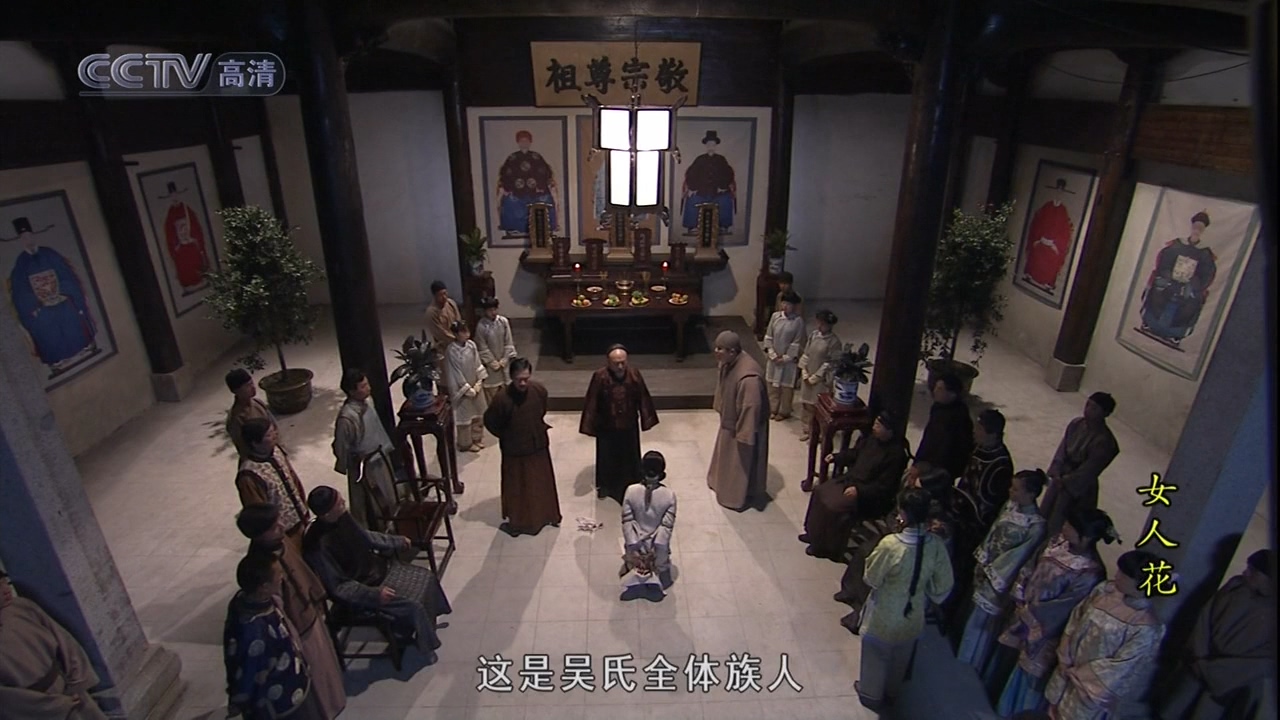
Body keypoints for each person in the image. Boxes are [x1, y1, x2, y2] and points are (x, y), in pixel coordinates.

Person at [303, 487, 450, 664]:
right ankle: (426, 645)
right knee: (414, 605)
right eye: (339, 503)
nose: (343, 502)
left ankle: (424, 626)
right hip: (364, 588)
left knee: (427, 577)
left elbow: (366, 537)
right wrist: (373, 594)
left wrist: (396, 541)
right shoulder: (317, 546)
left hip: (376, 569)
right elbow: (339, 587)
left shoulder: (342, 517)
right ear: (327, 514)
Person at [992, 508, 1116, 717]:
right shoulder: (1056, 542)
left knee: (1029, 673)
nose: (1064, 527)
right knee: (1009, 657)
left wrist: (1030, 613)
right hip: (1023, 608)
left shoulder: (1090, 571)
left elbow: (1065, 606)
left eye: (1070, 526)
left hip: (1044, 629)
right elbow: (1031, 565)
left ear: (1085, 537)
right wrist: (1020, 591)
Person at [234, 504, 345, 719]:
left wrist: (315, 594)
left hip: (308, 609)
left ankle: (334, 700)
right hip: (295, 622)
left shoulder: (281, 541)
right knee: (314, 670)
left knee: (325, 662)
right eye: (274, 526)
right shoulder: (262, 565)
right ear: (259, 534)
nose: (281, 526)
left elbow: (301, 568)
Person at [856, 487, 955, 712]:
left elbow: (871, 578)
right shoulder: (936, 545)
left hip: (884, 614)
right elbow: (942, 587)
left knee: (876, 656)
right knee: (901, 657)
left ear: (903, 512)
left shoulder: (891, 545)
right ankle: (892, 693)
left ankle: (871, 695)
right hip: (914, 614)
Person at [1043, 550, 1166, 720]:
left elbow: (1124, 665)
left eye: (1123, 575)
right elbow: (1077, 617)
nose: (1117, 576)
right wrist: (1065, 655)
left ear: (1141, 582)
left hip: (1089, 688)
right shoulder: (1104, 590)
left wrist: (1078, 673)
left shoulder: (1146, 625)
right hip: (1067, 666)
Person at [1157, 549, 1275, 720]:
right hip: (1199, 664)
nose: (1245, 573)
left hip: (1232, 681)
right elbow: (1205, 618)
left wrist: (1218, 671)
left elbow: (1263, 659)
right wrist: (1200, 656)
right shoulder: (1236, 586)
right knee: (1175, 708)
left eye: (1253, 571)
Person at [833, 463, 949, 632]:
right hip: (900, 539)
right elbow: (895, 515)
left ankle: (859, 614)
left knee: (880, 572)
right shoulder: (915, 502)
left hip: (913, 557)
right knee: (865, 550)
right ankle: (850, 591)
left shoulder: (938, 522)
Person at [957, 470, 1049, 672]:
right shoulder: (1009, 506)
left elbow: (1019, 556)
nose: (1010, 492)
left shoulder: (1035, 526)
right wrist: (983, 558)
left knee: (984, 621)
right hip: (987, 564)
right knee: (973, 611)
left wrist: (994, 571)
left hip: (1001, 576)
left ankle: (971, 661)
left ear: (1031, 494)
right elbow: (993, 532)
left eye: (1016, 489)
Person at [224, 553, 325, 719]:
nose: (282, 577)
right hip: (279, 700)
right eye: (279, 574)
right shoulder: (253, 632)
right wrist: (239, 702)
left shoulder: (247, 600)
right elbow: (248, 674)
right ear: (264, 587)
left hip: (292, 677)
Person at [800, 411, 910, 559]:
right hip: (851, 481)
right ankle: (813, 534)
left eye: (879, 425)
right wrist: (837, 457)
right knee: (820, 491)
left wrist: (860, 491)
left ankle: (826, 547)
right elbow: (855, 453)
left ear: (889, 430)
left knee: (833, 506)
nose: (874, 427)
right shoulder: (872, 439)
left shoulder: (896, 455)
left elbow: (885, 487)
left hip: (868, 495)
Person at [0, 571, 109, 719]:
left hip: (69, 690)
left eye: (5, 582)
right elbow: (6, 697)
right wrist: (51, 705)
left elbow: (65, 642)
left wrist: (77, 681)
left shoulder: (23, 607)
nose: (5, 589)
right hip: (35, 710)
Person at [3, 217, 100, 378]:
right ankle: (56, 362)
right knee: (43, 325)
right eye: (24, 238)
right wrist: (36, 303)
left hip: (63, 299)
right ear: (20, 240)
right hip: (41, 305)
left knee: (71, 314)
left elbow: (67, 276)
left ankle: (86, 346)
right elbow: (20, 291)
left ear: (34, 236)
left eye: (29, 236)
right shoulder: (21, 263)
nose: (28, 240)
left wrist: (63, 292)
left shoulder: (50, 254)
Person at [484, 358, 563, 536]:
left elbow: (541, 411)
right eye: (519, 379)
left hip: (537, 445)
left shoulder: (539, 391)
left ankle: (547, 515)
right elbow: (491, 422)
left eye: (526, 379)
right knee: (518, 488)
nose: (523, 383)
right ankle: (519, 523)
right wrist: (508, 436)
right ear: (512, 377)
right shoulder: (502, 399)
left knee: (540, 483)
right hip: (515, 450)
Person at [579, 345, 660, 502]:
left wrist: (647, 419)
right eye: (616, 363)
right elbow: (592, 401)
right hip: (607, 425)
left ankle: (633, 480)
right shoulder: (600, 376)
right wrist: (589, 425)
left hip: (629, 423)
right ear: (608, 362)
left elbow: (643, 397)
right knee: (606, 456)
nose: (621, 366)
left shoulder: (634, 374)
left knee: (630, 454)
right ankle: (605, 485)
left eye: (623, 362)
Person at [1039, 392, 1120, 540]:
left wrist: (1066, 481)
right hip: (1061, 474)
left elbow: (1090, 469)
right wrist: (1056, 470)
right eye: (1088, 405)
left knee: (1063, 521)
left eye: (1094, 408)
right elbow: (1062, 450)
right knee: (1045, 513)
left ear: (1105, 413)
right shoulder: (1076, 424)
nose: (1088, 410)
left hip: (1079, 485)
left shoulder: (1105, 441)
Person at [706, 331, 770, 511]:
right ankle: (720, 483)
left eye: (720, 349)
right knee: (726, 457)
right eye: (716, 347)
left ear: (732, 352)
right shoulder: (728, 363)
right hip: (731, 421)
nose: (716, 352)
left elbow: (751, 406)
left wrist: (744, 435)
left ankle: (735, 497)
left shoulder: (748, 378)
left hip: (743, 427)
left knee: (739, 465)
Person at [332, 368, 403, 529]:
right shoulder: (347, 417)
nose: (368, 388)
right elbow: (341, 445)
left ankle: (394, 521)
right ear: (352, 391)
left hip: (379, 455)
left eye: (367, 384)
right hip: (365, 466)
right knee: (370, 503)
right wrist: (350, 462)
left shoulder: (368, 401)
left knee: (389, 492)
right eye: (363, 386)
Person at [1139, 210, 1218, 346]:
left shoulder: (1205, 253)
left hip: (1190, 285)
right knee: (1158, 287)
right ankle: (1149, 323)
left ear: (1203, 230)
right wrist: (1168, 275)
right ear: (1192, 227)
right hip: (1170, 279)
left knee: (1193, 301)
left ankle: (1176, 334)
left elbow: (1207, 274)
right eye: (1196, 226)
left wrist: (1194, 283)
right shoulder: (1176, 245)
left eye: (1200, 228)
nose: (1197, 230)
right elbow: (1163, 262)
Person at [236, 418, 311, 553]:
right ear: (255, 443)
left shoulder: (276, 450)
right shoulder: (249, 476)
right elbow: (258, 513)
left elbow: (292, 478)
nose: (275, 435)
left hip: (300, 520)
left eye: (274, 431)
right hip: (284, 534)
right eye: (269, 435)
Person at [619, 451, 677, 601]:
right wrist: (656, 547)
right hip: (657, 550)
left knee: (632, 561)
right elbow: (666, 527)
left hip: (635, 546)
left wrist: (634, 544)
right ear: (662, 472)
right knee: (661, 564)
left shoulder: (630, 491)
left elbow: (627, 521)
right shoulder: (669, 495)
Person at [958, 408, 1015, 531]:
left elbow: (995, 503)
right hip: (961, 511)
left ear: (993, 434)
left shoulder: (1001, 465)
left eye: (979, 429)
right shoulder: (978, 447)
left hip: (978, 524)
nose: (974, 431)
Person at [497, 130, 558, 237]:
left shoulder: (536, 157)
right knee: (510, 201)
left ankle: (547, 229)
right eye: (521, 141)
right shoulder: (512, 158)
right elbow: (506, 175)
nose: (524, 143)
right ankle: (514, 229)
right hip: (517, 192)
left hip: (536, 192)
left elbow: (545, 174)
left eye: (526, 141)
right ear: (518, 142)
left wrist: (543, 186)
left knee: (545, 200)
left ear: (530, 142)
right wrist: (505, 188)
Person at [1021, 178, 1078, 293]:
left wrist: (1054, 244)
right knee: (1035, 255)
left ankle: (1048, 284)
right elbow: (1038, 222)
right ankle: (1029, 275)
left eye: (1061, 191)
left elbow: (1065, 230)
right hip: (1041, 240)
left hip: (1053, 244)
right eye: (1057, 190)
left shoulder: (1063, 210)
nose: (1058, 193)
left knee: (1053, 260)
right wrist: (1039, 239)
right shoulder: (1047, 206)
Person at [914, 374, 975, 480]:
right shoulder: (937, 408)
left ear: (952, 394)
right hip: (928, 463)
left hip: (943, 468)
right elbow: (928, 438)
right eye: (936, 387)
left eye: (940, 389)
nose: (935, 391)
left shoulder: (959, 416)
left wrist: (928, 466)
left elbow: (949, 447)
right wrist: (918, 461)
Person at [797, 309, 841, 442]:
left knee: (819, 407)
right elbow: (806, 353)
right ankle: (807, 429)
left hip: (820, 379)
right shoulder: (814, 335)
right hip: (808, 373)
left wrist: (816, 377)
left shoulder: (834, 341)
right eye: (818, 323)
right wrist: (804, 371)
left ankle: (821, 433)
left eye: (823, 324)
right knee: (806, 405)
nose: (819, 326)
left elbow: (831, 362)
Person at [680, 130, 736, 234]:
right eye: (709, 145)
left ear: (716, 146)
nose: (711, 147)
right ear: (706, 146)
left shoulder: (721, 159)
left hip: (718, 191)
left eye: (713, 145)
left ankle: (723, 226)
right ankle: (692, 227)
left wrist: (723, 186)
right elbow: (691, 174)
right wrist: (693, 188)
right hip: (701, 191)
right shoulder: (700, 159)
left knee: (725, 199)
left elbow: (728, 174)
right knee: (692, 199)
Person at [445, 320, 488, 453]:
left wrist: (479, 381)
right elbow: (455, 372)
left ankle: (477, 438)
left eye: (467, 331)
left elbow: (477, 363)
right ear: (456, 334)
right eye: (462, 332)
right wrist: (467, 388)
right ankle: (465, 443)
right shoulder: (452, 350)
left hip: (474, 383)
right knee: (465, 415)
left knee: (478, 412)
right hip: (463, 387)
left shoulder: (471, 345)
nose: (466, 334)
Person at [160, 181, 211, 293]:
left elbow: (197, 228)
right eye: (171, 196)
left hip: (192, 245)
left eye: (175, 195)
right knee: (184, 268)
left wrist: (194, 239)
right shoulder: (170, 215)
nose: (174, 198)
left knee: (197, 266)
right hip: (181, 249)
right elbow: (169, 235)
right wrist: (177, 245)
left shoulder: (188, 211)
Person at [763, 291, 806, 422]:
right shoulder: (775, 317)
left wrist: (786, 358)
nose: (785, 306)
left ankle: (784, 411)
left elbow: (797, 342)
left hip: (788, 361)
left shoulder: (798, 321)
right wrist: (772, 354)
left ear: (794, 306)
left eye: (788, 304)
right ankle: (772, 409)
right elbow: (769, 336)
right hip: (774, 357)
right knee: (772, 386)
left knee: (786, 388)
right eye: (783, 303)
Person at [225, 368, 279, 460]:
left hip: (273, 452)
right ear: (236, 391)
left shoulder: (257, 403)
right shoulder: (236, 418)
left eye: (252, 383)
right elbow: (243, 449)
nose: (253, 387)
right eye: (247, 386)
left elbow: (274, 426)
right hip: (259, 459)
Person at [474, 296, 517, 405]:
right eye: (490, 310)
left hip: (504, 363)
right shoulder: (481, 326)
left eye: (495, 309)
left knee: (507, 392)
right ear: (485, 311)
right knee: (492, 396)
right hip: (491, 367)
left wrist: (505, 359)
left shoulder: (503, 321)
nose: (493, 312)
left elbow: (509, 342)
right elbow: (482, 347)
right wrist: (492, 362)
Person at [424, 280, 462, 357]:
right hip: (444, 347)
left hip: (459, 340)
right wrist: (456, 340)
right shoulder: (431, 313)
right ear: (435, 296)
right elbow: (440, 334)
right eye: (440, 295)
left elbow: (459, 321)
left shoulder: (451, 303)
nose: (444, 297)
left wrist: (461, 335)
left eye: (445, 293)